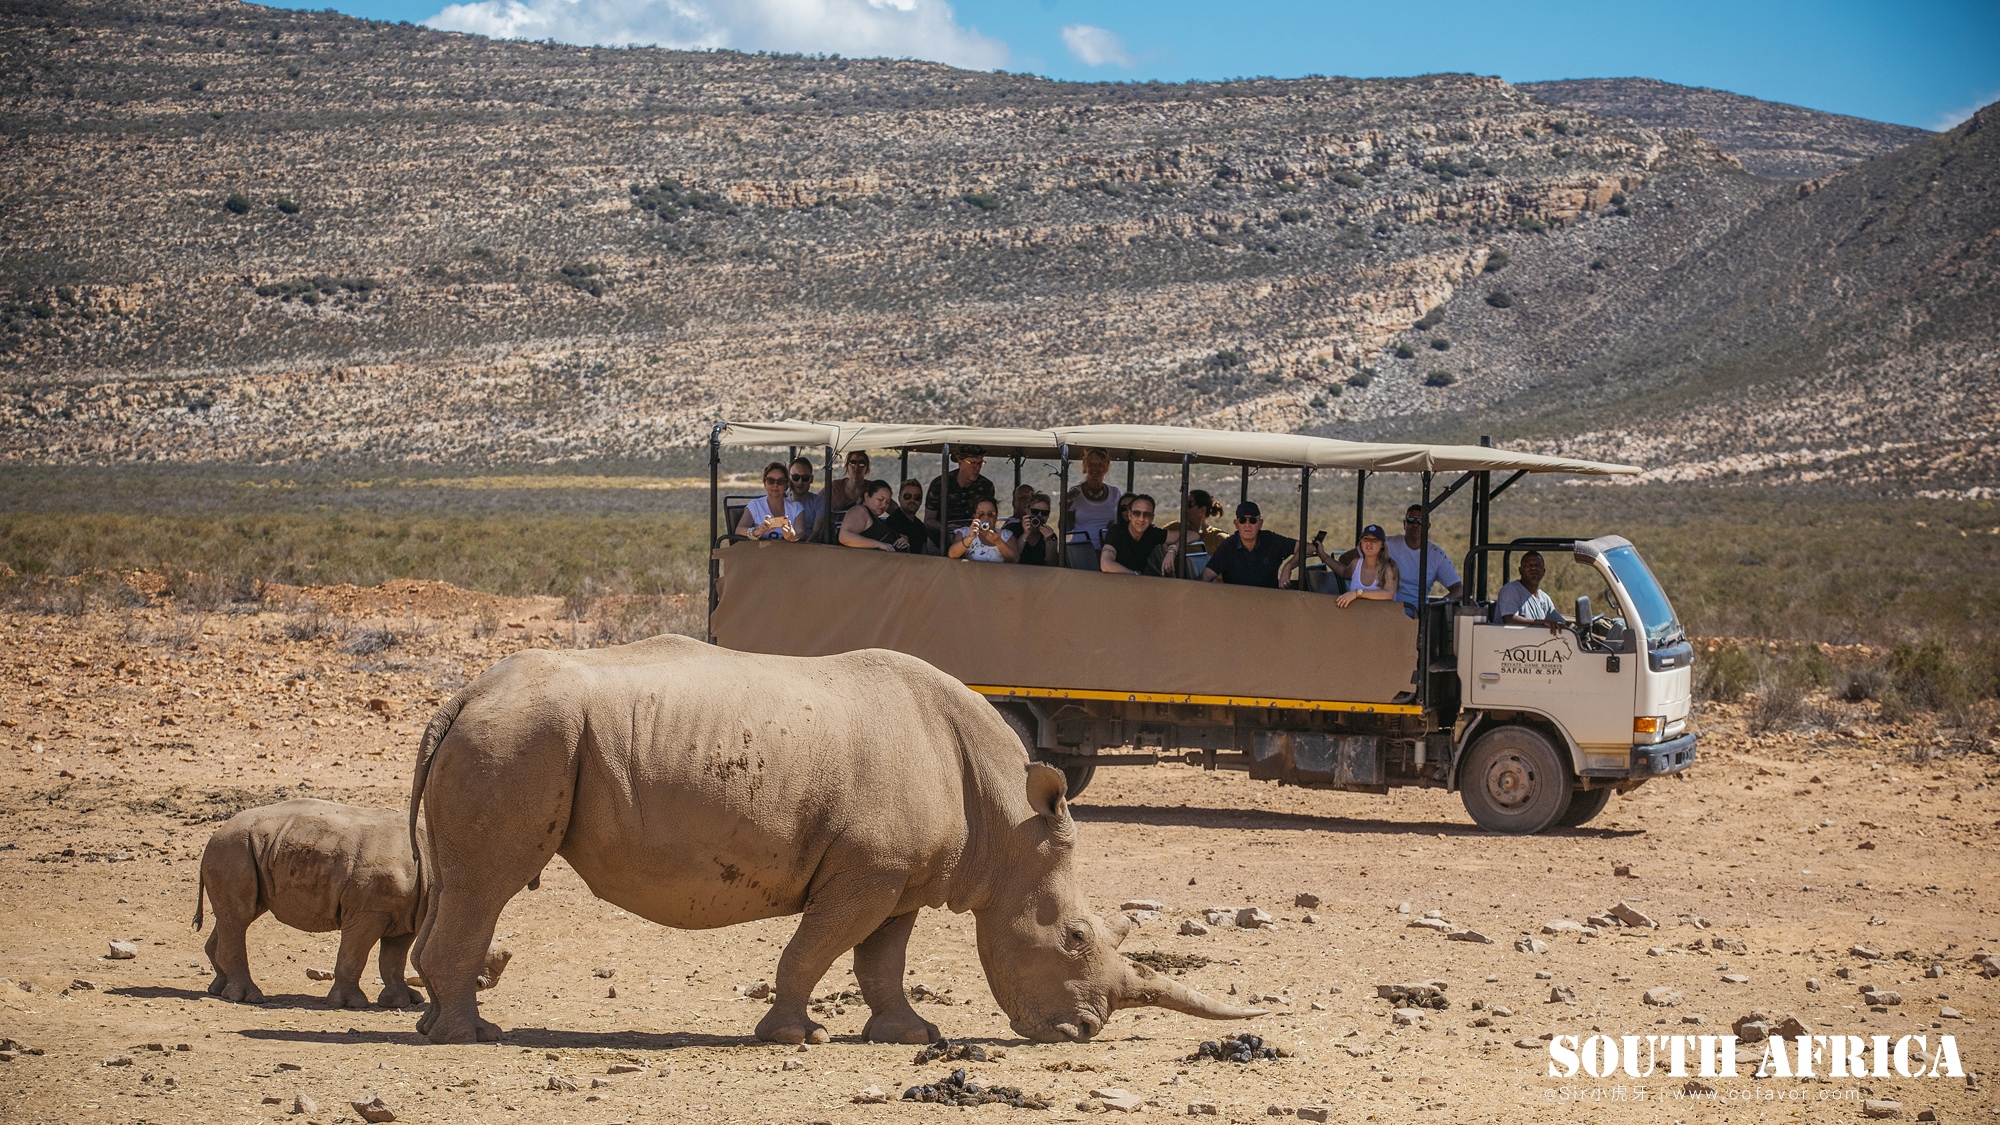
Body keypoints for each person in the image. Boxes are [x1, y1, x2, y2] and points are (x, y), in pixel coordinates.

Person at [1343, 503, 1462, 614]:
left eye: (1420, 522)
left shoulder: (1437, 555)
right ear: (1404, 523)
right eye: (1411, 520)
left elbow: (1458, 589)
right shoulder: (1388, 544)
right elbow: (1345, 559)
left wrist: (1438, 605)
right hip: (1382, 612)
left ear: (1428, 526)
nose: (1415, 525)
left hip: (1417, 617)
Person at [1200, 501, 1300, 588]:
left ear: (1260, 524)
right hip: (1236, 604)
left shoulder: (1271, 541)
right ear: (1236, 524)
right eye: (1243, 521)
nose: (1247, 525)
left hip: (1269, 603)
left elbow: (1306, 548)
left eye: (1252, 521)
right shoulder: (1228, 547)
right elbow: (1205, 577)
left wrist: (1288, 567)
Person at [925, 445, 996, 549]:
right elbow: (929, 520)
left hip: (974, 541)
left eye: (980, 463)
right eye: (972, 463)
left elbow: (989, 517)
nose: (977, 468)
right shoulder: (940, 484)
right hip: (940, 541)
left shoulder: (985, 486)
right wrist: (945, 527)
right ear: (960, 462)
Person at [1494, 550, 1567, 634]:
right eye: (1528, 565)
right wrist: (1542, 622)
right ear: (1520, 570)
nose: (1533, 568)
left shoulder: (1545, 598)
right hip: (1512, 643)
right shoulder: (1510, 590)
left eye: (1537, 565)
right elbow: (1510, 620)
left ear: (1543, 571)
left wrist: (1573, 626)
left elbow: (1560, 622)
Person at [1157, 489, 1225, 575]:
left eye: (1189, 504)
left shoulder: (1218, 539)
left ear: (1202, 510)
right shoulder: (1173, 529)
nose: (1184, 508)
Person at [1332, 524, 1401, 608]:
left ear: (1382, 545)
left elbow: (1389, 594)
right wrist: (1322, 555)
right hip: (1356, 616)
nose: (1369, 543)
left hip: (1382, 618)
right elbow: (1343, 572)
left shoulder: (1389, 567)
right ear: (1361, 543)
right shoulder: (1356, 563)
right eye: (1365, 539)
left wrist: (1357, 593)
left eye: (1374, 540)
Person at [1062, 447, 1121, 546]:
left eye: (1100, 465)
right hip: (1081, 548)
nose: (1095, 468)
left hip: (1107, 549)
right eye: (1091, 464)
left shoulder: (1115, 493)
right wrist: (1065, 506)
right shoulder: (1075, 493)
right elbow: (1065, 528)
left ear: (1106, 468)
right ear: (1085, 467)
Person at [1101, 494, 1169, 575]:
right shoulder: (1115, 531)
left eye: (1130, 507)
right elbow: (1106, 564)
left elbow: (1179, 536)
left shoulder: (1152, 533)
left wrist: (1172, 550)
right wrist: (1135, 575)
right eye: (1123, 508)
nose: (1127, 511)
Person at [838, 480, 913, 553]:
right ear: (867, 496)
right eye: (880, 499)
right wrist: (879, 545)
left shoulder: (878, 520)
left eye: (887, 502)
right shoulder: (860, 511)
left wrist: (901, 541)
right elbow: (845, 537)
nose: (884, 505)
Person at [738, 461, 804, 541]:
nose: (775, 485)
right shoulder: (755, 506)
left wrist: (792, 536)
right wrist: (759, 531)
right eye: (770, 481)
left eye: (780, 481)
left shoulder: (796, 508)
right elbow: (739, 530)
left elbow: (802, 535)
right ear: (765, 483)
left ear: (786, 485)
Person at [949, 498, 1018, 563]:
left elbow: (1015, 559)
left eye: (990, 514)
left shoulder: (1006, 535)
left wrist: (999, 543)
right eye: (981, 514)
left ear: (996, 516)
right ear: (975, 516)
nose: (986, 517)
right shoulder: (964, 532)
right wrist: (969, 538)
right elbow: (952, 554)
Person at [885, 479, 930, 555]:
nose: (912, 500)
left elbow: (924, 553)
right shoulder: (893, 521)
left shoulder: (920, 526)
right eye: (907, 496)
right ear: (899, 498)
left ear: (921, 501)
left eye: (917, 497)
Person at [1015, 493, 1059, 566]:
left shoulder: (1051, 535)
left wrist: (1048, 541)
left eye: (1044, 513)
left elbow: (1052, 564)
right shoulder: (1015, 530)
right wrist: (1025, 535)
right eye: (1035, 512)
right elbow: (1013, 558)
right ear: (1027, 511)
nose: (1039, 516)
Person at [789, 456, 826, 543]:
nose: (800, 482)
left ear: (811, 479)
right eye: (795, 477)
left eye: (805, 478)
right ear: (788, 478)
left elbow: (816, 533)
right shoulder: (782, 502)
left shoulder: (819, 502)